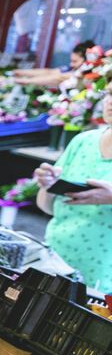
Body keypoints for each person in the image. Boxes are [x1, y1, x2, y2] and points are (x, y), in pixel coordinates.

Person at [33, 83, 112, 291]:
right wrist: (48, 186)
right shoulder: (83, 141)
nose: (110, 101)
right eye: (110, 93)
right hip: (55, 262)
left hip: (103, 278)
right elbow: (49, 208)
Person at [15, 40, 98, 88]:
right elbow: (49, 72)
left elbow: (59, 77)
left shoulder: (87, 73)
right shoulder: (73, 69)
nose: (71, 64)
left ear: (86, 60)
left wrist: (27, 81)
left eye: (75, 61)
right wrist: (19, 72)